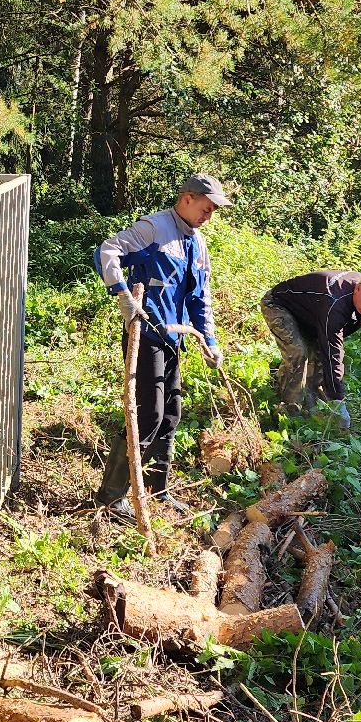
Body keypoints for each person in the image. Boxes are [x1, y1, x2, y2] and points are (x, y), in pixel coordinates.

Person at [92, 173, 230, 514]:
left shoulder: (197, 243)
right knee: (149, 415)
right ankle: (111, 497)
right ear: (187, 198)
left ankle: (157, 489)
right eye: (206, 207)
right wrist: (123, 295)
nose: (208, 216)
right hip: (147, 334)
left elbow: (200, 298)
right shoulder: (154, 229)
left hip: (174, 338)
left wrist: (210, 341)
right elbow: (106, 251)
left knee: (171, 414)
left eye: (213, 210)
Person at [261, 270, 361, 427]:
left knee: (318, 355)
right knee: (299, 353)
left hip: (310, 314)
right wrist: (338, 400)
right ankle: (287, 414)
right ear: (358, 289)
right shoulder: (335, 304)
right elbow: (333, 354)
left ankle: (312, 410)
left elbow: (330, 348)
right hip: (278, 305)